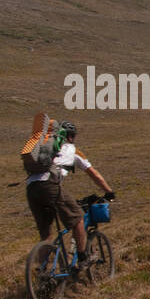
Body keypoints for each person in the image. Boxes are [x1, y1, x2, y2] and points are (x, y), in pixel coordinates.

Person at [23, 115, 115, 268]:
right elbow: (94, 175)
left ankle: (42, 273)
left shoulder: (47, 148)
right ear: (70, 136)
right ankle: (82, 257)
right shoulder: (73, 150)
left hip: (31, 187)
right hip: (49, 185)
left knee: (46, 235)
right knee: (78, 218)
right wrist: (109, 191)